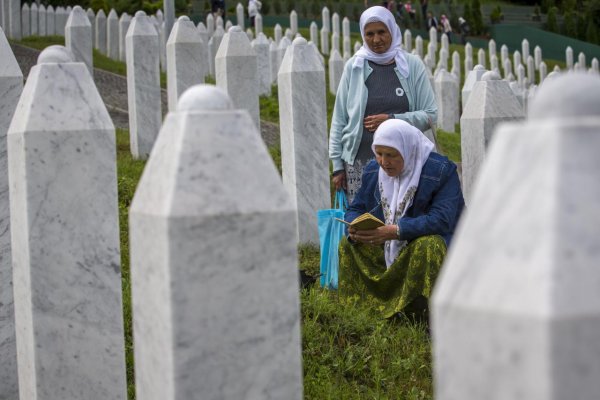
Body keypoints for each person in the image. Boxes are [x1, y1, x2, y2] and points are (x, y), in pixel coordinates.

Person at [338, 119, 464, 319]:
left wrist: (396, 231)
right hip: (385, 243)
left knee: (428, 246)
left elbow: (442, 219)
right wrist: (354, 228)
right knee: (348, 244)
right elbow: (356, 207)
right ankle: (368, 308)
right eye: (379, 153)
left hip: (420, 246)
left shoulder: (441, 171)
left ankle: (420, 311)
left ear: (409, 149)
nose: (383, 162)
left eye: (391, 155)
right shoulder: (373, 171)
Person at [329, 6, 437, 203]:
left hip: (405, 164)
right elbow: (340, 119)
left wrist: (391, 120)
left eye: (381, 32)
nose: (376, 40)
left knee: (401, 225)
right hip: (359, 164)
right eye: (369, 34)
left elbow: (430, 115)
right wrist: (337, 165)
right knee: (364, 226)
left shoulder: (412, 66)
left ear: (392, 31)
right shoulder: (354, 67)